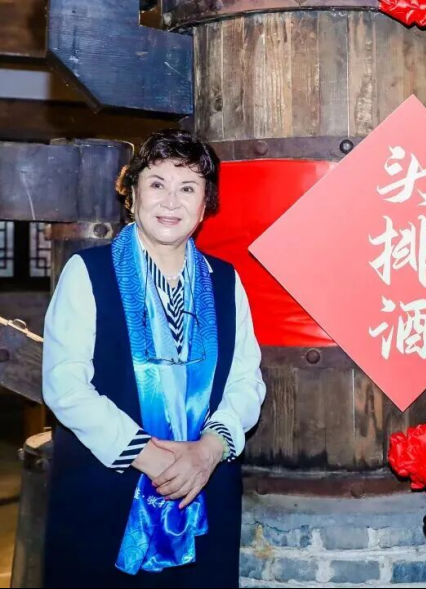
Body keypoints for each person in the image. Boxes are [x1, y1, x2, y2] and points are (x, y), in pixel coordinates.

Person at [42, 129, 266, 587]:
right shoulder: (88, 272)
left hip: (204, 493)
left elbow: (247, 380)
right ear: (132, 194)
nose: (170, 201)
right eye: (157, 183)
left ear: (204, 206)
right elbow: (65, 386)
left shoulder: (225, 281)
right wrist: (149, 457)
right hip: (107, 494)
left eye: (188, 188)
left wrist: (208, 450)